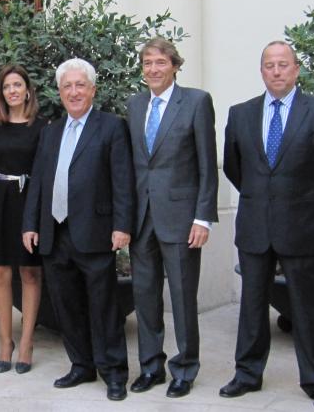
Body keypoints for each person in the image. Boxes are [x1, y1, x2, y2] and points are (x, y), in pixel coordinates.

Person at [221, 41, 314, 411]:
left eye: (283, 65)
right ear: (261, 71)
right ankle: (247, 373)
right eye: (268, 65)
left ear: (296, 69)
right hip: (255, 224)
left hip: (302, 225)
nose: (276, 71)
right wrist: (262, 196)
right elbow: (234, 166)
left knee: (308, 308)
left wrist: (304, 199)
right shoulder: (241, 113)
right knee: (252, 305)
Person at [22, 58, 134, 401]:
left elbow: (122, 179)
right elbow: (39, 180)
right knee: (66, 305)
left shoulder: (111, 126)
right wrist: (30, 223)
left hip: (96, 231)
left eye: (80, 85)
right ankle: (81, 365)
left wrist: (122, 226)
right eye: (67, 86)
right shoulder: (51, 131)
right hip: (55, 233)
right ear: (60, 92)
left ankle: (114, 372)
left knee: (103, 306)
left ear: (92, 90)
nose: (74, 92)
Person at [126, 37, 218, 398]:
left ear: (175, 66)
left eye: (160, 63)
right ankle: (151, 366)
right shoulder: (134, 105)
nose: (153, 70)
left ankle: (184, 368)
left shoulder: (196, 102)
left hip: (181, 217)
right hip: (141, 217)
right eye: (147, 63)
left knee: (182, 296)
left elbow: (208, 165)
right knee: (145, 296)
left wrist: (203, 218)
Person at [0, 64, 45, 374]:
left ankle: (27, 342)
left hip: (29, 200)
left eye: (17, 85)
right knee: (0, 274)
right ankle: (6, 342)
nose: (12, 90)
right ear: (1, 93)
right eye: (7, 86)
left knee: (30, 274)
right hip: (0, 201)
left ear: (27, 90)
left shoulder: (43, 126)